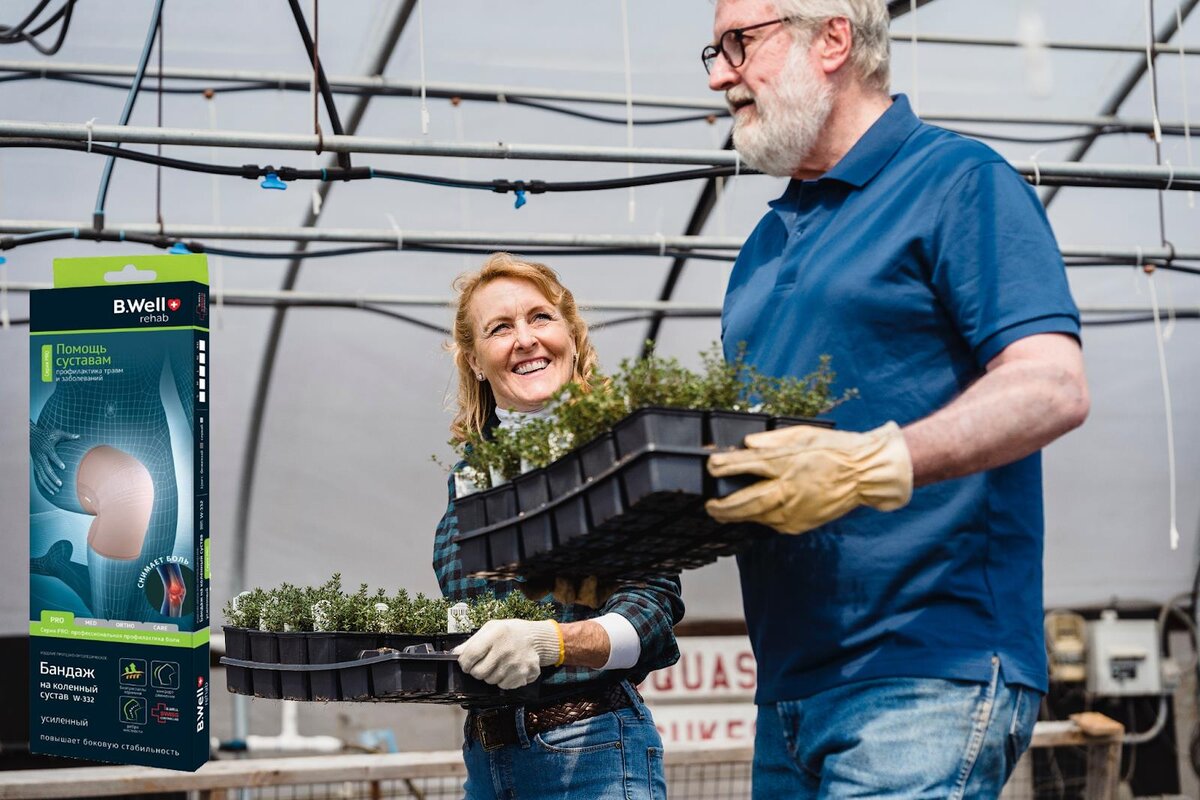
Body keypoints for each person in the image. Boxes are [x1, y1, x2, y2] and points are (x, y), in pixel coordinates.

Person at [700, 1, 1089, 797]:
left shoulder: (955, 180)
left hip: (926, 668)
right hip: (789, 691)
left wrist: (873, 462)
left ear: (833, 38)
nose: (719, 74)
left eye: (740, 43)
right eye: (713, 50)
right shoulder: (763, 247)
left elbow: (1053, 383)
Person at [434, 252, 684, 800]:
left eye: (540, 318)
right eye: (500, 328)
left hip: (591, 750)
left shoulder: (619, 458)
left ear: (571, 336)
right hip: (486, 760)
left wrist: (552, 643)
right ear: (476, 360)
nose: (524, 339)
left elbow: (651, 616)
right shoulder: (470, 477)